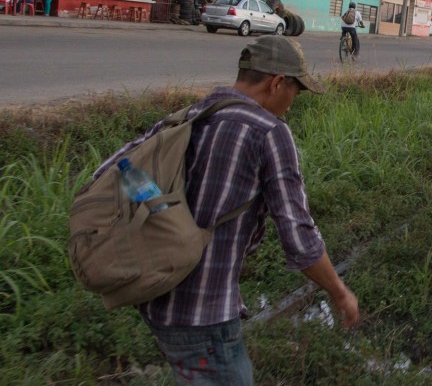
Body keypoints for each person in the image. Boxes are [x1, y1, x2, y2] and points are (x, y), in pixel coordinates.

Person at [94, 35, 359, 385]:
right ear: (277, 82)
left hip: (155, 298)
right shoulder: (269, 132)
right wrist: (339, 291)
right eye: (295, 91)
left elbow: (109, 174)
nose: (293, 103)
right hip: (204, 314)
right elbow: (299, 236)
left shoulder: (188, 116)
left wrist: (161, 214)